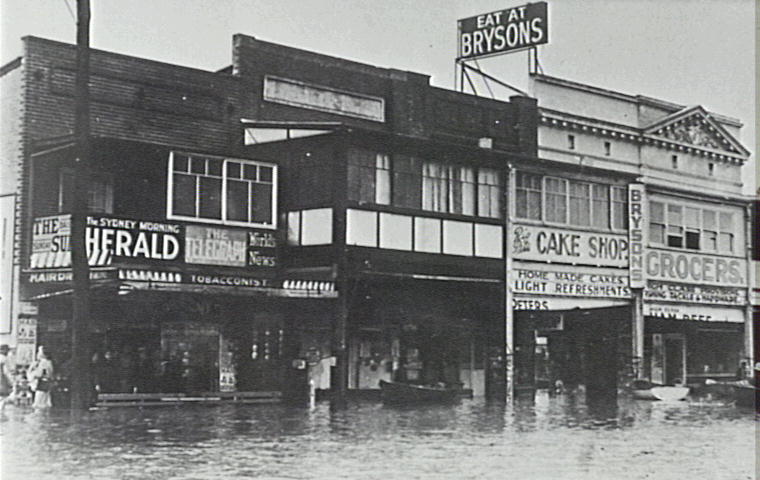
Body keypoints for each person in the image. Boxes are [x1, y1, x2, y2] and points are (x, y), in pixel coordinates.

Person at [0, 344, 14, 410]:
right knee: (3, 399)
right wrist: (11, 382)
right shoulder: (5, 359)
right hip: (2, 381)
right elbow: (6, 372)